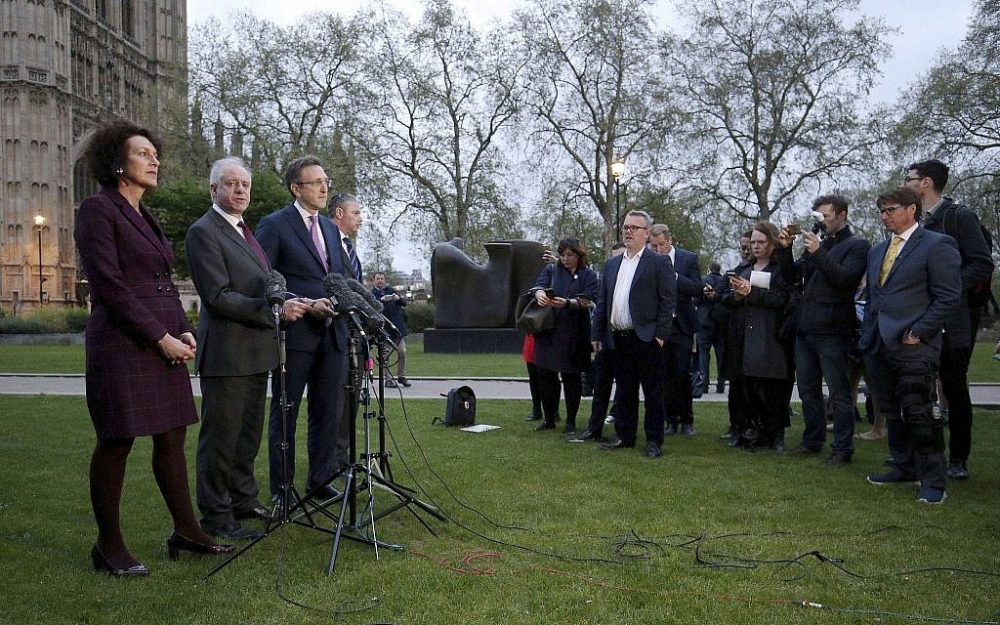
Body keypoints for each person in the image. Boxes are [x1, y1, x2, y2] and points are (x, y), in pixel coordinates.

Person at [74, 121, 233, 577]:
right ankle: (108, 545)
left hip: (159, 339)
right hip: (122, 342)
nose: (154, 159)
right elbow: (110, 286)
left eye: (154, 153)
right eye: (143, 153)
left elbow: (161, 285)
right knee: (116, 440)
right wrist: (158, 336)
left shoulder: (146, 216)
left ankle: (187, 531)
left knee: (171, 438)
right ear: (118, 163)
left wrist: (182, 330)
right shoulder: (97, 210)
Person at [185, 157, 313, 541]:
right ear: (214, 190)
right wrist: (273, 310)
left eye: (245, 184)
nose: (240, 190)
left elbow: (265, 286)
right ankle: (216, 516)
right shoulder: (203, 232)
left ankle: (243, 499)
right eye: (231, 184)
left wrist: (293, 300)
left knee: (247, 436)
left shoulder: (245, 232)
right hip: (227, 353)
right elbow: (218, 296)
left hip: (257, 352)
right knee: (220, 440)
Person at [256, 156, 349, 505]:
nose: (325, 187)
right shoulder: (274, 225)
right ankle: (282, 490)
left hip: (332, 335)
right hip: (295, 336)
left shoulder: (328, 228)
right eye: (316, 182)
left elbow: (337, 276)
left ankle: (321, 479)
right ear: (297, 188)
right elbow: (266, 279)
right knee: (286, 412)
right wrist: (307, 303)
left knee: (327, 412)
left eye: (326, 180)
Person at [861, 187, 961, 505]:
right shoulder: (878, 250)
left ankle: (933, 480)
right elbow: (875, 298)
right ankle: (904, 466)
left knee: (919, 412)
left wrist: (919, 331)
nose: (884, 216)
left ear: (912, 210)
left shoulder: (937, 245)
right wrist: (868, 337)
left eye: (890, 210)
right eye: (882, 211)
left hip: (915, 343)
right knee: (891, 410)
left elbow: (948, 296)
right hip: (879, 342)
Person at [904, 160, 994, 480]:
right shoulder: (914, 221)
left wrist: (949, 287)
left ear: (926, 182)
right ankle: (926, 456)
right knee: (919, 386)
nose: (906, 182)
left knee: (954, 388)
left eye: (910, 178)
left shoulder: (958, 216)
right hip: (922, 318)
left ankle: (958, 457)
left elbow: (982, 263)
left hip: (953, 319)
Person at [777, 195, 870, 466]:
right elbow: (792, 277)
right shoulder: (818, 245)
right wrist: (785, 249)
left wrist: (818, 252)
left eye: (826, 216)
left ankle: (843, 448)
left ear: (842, 215)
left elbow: (844, 279)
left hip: (833, 329)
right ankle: (812, 440)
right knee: (807, 390)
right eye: (817, 216)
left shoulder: (858, 246)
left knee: (839, 393)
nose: (821, 221)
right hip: (806, 328)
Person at [592, 210, 677, 458]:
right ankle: (625, 436)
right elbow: (603, 301)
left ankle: (653, 441)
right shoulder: (611, 264)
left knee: (652, 393)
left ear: (646, 233)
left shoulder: (659, 262)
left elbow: (667, 300)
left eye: (634, 228)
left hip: (648, 338)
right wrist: (597, 334)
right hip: (619, 338)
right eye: (626, 227)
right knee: (625, 393)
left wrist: (660, 335)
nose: (628, 232)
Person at [720, 221, 791, 452]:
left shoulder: (780, 270)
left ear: (772, 243)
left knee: (771, 389)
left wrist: (752, 292)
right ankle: (750, 429)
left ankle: (775, 434)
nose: (756, 246)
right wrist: (738, 296)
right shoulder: (743, 269)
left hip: (771, 335)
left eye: (761, 242)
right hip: (744, 335)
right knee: (745, 387)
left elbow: (782, 299)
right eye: (753, 242)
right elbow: (725, 301)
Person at [530, 238, 600, 434]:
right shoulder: (552, 270)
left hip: (574, 333)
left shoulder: (588, 275)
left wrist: (569, 303)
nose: (566, 259)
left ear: (578, 255)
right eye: (562, 255)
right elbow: (537, 287)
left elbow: (589, 300)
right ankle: (549, 418)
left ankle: (571, 421)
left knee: (571, 377)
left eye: (570, 255)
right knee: (545, 375)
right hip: (549, 330)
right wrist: (539, 295)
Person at [648, 224, 701, 436]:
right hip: (661, 325)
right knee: (664, 375)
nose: (658, 249)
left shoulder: (688, 259)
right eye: (654, 245)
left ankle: (687, 419)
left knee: (682, 373)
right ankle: (670, 419)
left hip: (682, 325)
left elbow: (698, 288)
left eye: (661, 244)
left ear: (670, 240)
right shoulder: (649, 261)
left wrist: (675, 277)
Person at [371, 271, 410, 387]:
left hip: (397, 328)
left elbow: (404, 303)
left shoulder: (391, 291)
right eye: (378, 279)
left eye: (382, 278)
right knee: (385, 355)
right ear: (374, 281)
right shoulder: (372, 294)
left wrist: (397, 298)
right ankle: (388, 379)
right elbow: (371, 307)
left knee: (402, 352)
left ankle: (401, 376)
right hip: (384, 329)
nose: (380, 281)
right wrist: (381, 300)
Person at [697, 262, 728, 396]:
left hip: (704, 322)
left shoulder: (703, 280)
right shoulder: (724, 281)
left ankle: (704, 384)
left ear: (709, 269)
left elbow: (696, 300)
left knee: (704, 354)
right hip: (720, 322)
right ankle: (721, 384)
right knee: (721, 354)